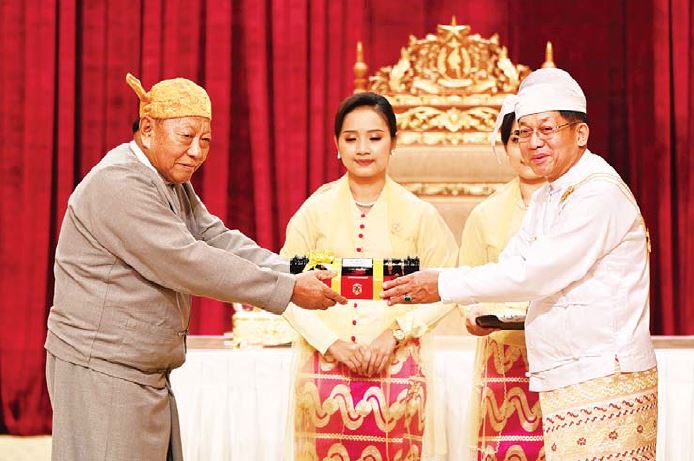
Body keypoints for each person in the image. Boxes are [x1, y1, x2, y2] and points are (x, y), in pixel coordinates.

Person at [44, 73, 346, 461]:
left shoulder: (168, 179)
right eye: (186, 137)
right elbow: (187, 260)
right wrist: (287, 291)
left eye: (205, 141)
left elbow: (215, 237)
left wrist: (291, 270)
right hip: (103, 368)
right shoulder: (119, 182)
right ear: (148, 129)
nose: (196, 152)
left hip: (138, 370)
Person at [382, 68, 658, 460]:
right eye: (524, 132)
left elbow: (537, 273)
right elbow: (515, 259)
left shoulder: (598, 193)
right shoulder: (549, 194)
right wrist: (478, 307)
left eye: (547, 129)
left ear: (581, 133)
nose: (533, 142)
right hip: (569, 374)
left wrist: (441, 284)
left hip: (606, 375)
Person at [280, 92, 458, 461]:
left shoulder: (419, 215)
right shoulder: (314, 212)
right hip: (324, 369)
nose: (363, 148)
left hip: (399, 366)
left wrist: (395, 334)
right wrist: (332, 344)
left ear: (393, 142)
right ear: (337, 145)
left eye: (375, 137)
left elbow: (448, 286)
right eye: (351, 138)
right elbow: (286, 289)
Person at [460, 95, 546, 460]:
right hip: (503, 358)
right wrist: (472, 316)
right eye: (517, 137)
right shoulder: (485, 215)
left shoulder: (580, 207)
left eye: (539, 135)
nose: (528, 147)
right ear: (505, 146)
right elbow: (466, 284)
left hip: (562, 356)